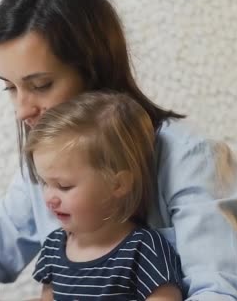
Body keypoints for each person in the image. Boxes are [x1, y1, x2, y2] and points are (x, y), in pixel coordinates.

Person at [0, 0, 237, 301]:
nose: (22, 110)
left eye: (40, 85)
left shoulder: (190, 157)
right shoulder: (48, 169)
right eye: (10, 88)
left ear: (94, 71)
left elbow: (220, 289)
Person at [26, 91, 183, 300]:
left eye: (64, 186)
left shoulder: (142, 249)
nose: (50, 198)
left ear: (117, 184)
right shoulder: (54, 248)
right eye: (45, 183)